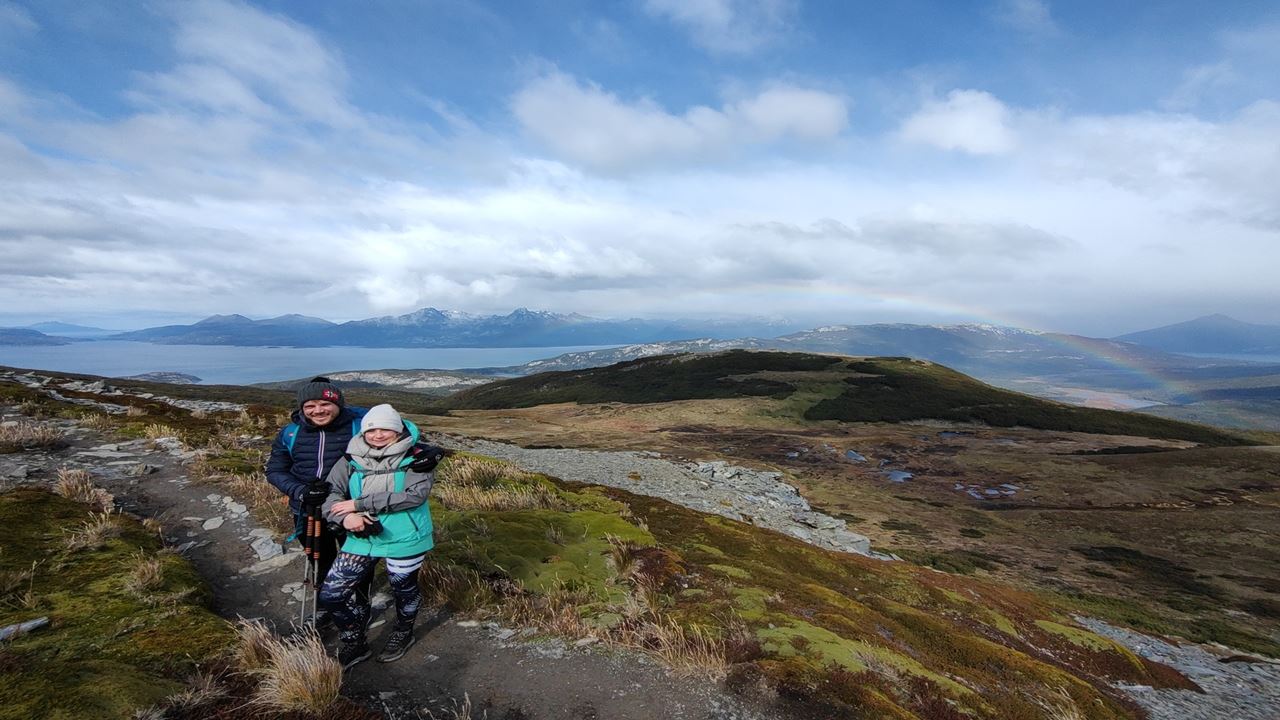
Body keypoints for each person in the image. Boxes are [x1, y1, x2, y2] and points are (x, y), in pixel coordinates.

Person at [318, 403, 435, 667]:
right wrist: (345, 517)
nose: (378, 435)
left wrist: (359, 505)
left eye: (386, 429)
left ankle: (403, 634)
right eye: (372, 430)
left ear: (398, 430)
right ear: (363, 432)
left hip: (406, 538)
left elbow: (413, 497)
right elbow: (331, 493)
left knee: (403, 590)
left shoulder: (418, 456)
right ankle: (354, 641)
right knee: (331, 594)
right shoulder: (351, 457)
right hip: (361, 538)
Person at [265, 377, 368, 591]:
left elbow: (396, 434)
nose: (318, 410)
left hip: (348, 508)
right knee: (320, 561)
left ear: (338, 404)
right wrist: (301, 492)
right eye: (310, 406)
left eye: (325, 404)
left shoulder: (359, 426)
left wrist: (423, 453)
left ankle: (358, 603)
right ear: (302, 408)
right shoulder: (290, 433)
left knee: (358, 562)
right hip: (307, 510)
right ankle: (325, 603)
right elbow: (275, 470)